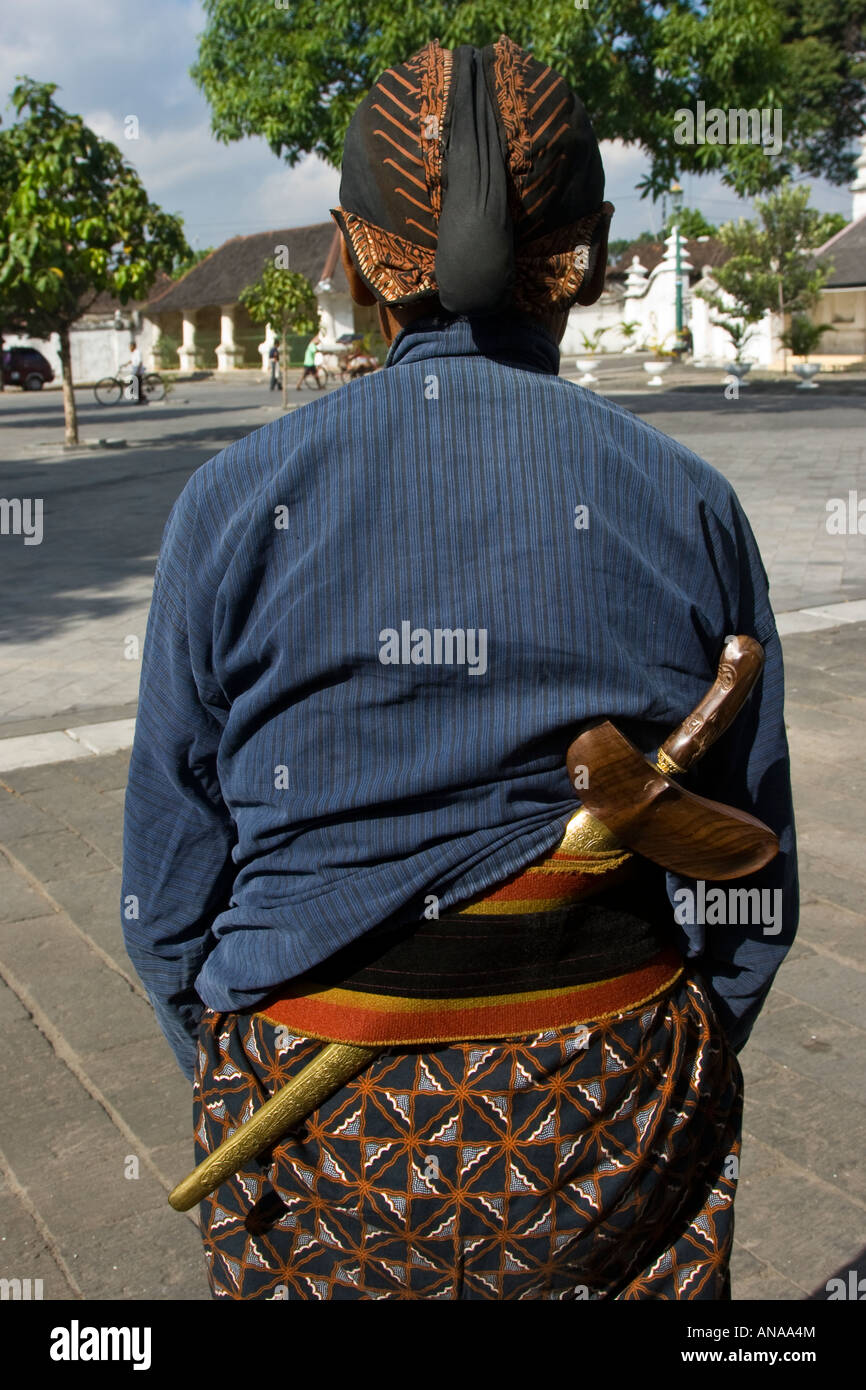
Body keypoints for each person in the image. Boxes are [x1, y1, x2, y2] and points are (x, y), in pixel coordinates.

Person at [122, 35, 797, 1301]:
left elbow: (162, 911)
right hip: (608, 1116)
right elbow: (753, 903)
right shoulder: (688, 503)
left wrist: (239, 1068)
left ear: (353, 253)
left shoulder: (230, 503)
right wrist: (642, 1063)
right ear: (586, 258)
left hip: (311, 1127)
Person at [128, 339, 147, 405]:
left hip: (138, 372)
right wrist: (126, 364)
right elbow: (132, 360)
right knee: (134, 384)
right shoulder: (133, 353)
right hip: (135, 371)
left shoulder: (137, 352)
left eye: (130, 346)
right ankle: (142, 397)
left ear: (134, 346)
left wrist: (138, 371)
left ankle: (141, 399)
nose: (129, 348)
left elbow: (140, 362)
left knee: (137, 386)